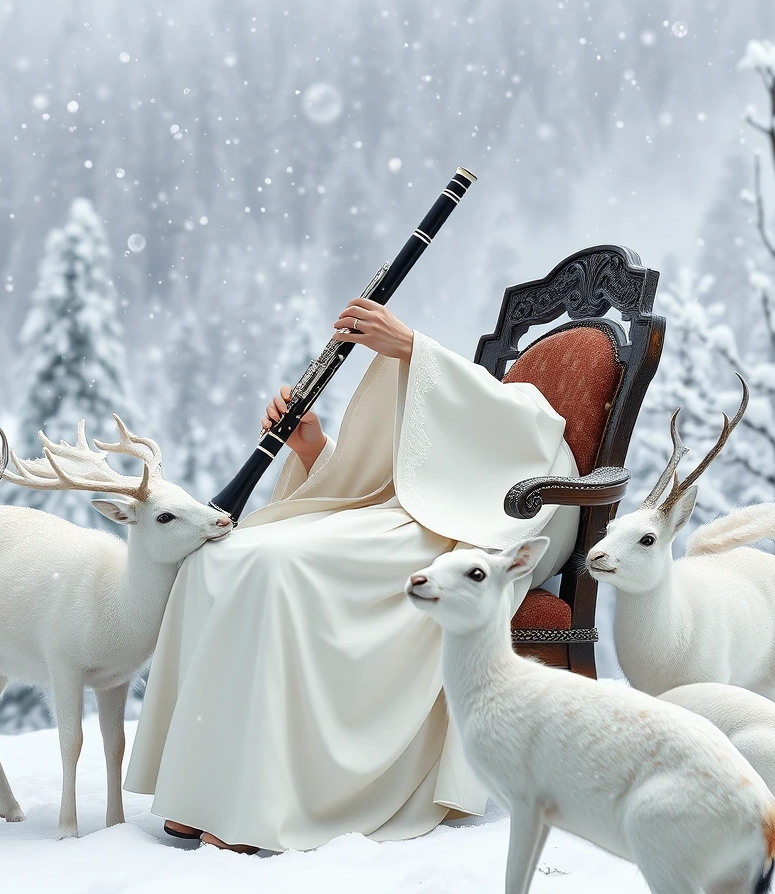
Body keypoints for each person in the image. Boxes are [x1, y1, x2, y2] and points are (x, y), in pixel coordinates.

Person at [124, 298, 580, 853]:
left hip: (456, 531)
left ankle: (266, 800)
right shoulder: (481, 420)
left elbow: (513, 434)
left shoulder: (530, 419)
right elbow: (398, 472)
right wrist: (313, 446)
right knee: (219, 556)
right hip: (401, 512)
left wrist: (411, 345)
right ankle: (202, 786)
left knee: (275, 568)